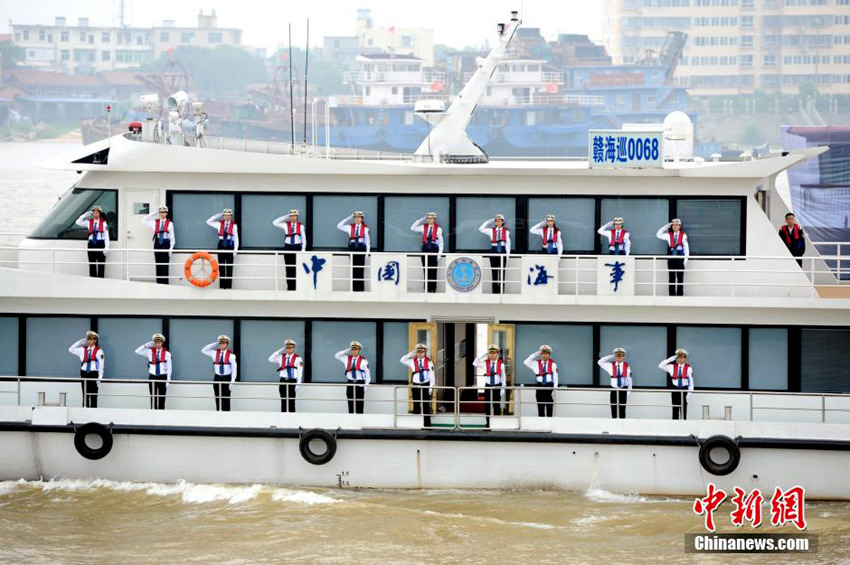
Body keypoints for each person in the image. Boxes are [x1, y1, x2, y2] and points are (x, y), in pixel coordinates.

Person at [400, 343, 434, 427]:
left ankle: (427, 425)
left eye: (422, 352)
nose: (420, 354)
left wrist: (431, 387)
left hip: (426, 384)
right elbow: (402, 360)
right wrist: (411, 354)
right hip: (416, 385)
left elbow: (432, 375)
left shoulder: (429, 362)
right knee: (416, 404)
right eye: (418, 352)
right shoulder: (412, 361)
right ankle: (416, 424)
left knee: (426, 405)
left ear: (425, 352)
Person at [134, 333, 172, 410]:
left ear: (162, 343)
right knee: (153, 396)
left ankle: (161, 413)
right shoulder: (149, 352)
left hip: (162, 376)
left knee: (162, 397)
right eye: (156, 342)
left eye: (159, 342)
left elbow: (169, 367)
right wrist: (146, 345)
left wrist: (168, 379)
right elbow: (137, 351)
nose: (157, 344)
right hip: (152, 376)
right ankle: (153, 412)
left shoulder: (167, 354)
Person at [272, 209, 306, 291]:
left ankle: (297, 287)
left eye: (294, 216)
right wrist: (286, 216)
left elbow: (304, 238)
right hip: (288, 247)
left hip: (297, 247)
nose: (293, 217)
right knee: (288, 268)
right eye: (291, 216)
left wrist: (303, 249)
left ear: (297, 217)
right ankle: (290, 287)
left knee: (297, 268)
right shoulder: (285, 225)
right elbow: (275, 222)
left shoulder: (300, 226)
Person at [68, 331, 104, 408]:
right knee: (85, 395)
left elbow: (101, 365)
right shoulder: (82, 350)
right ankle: (84, 411)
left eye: (91, 339)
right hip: (84, 373)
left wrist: (100, 378)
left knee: (93, 395)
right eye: (88, 339)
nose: (88, 341)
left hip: (94, 374)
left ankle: (94, 412)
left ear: (95, 340)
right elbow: (70, 349)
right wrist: (79, 342)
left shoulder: (99, 351)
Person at [337, 211, 371, 292]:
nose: (356, 219)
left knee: (360, 269)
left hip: (361, 248)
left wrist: (367, 253)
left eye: (358, 217)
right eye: (355, 217)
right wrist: (349, 217)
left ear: (362, 218)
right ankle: (354, 288)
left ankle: (360, 288)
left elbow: (368, 242)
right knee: (353, 268)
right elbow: (339, 226)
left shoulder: (365, 228)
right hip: (352, 248)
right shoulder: (350, 227)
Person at [202, 335, 238, 411]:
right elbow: (204, 350)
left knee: (226, 399)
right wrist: (215, 344)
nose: (222, 345)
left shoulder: (231, 356)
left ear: (227, 344)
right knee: (217, 398)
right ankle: (218, 413)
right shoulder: (214, 353)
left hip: (227, 378)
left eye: (224, 343)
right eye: (221, 343)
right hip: (217, 377)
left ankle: (227, 416)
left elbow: (234, 369)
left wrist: (232, 381)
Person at [473, 344, 506, 426]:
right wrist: (484, 353)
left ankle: (497, 423)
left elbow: (503, 379)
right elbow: (475, 363)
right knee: (487, 405)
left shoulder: (501, 365)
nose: (492, 354)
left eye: (493, 352)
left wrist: (503, 389)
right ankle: (488, 423)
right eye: (490, 352)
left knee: (496, 406)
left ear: (497, 353)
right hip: (488, 386)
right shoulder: (484, 363)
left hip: (497, 386)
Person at [205, 208, 239, 289]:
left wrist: (235, 251)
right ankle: (222, 286)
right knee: (221, 266)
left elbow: (236, 238)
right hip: (221, 244)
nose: (227, 217)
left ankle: (228, 287)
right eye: (225, 215)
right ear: (223, 216)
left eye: (229, 215)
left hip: (230, 245)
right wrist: (218, 215)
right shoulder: (219, 224)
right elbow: (208, 221)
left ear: (231, 216)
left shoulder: (234, 226)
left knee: (229, 267)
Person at [410, 212, 444, 293]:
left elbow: (441, 242)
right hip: (425, 248)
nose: (429, 219)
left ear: (434, 219)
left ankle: (433, 289)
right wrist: (422, 219)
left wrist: (439, 254)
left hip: (434, 248)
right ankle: (426, 289)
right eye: (428, 218)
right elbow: (413, 228)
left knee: (433, 270)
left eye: (431, 218)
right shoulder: (423, 227)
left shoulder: (438, 229)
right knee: (425, 270)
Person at [478, 214, 511, 294]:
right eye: (496, 221)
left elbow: (508, 244)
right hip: (493, 250)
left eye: (499, 221)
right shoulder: (491, 231)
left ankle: (501, 291)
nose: (498, 222)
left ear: (502, 222)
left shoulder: (506, 232)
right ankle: (495, 292)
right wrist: (490, 221)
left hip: (502, 250)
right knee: (494, 272)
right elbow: (481, 229)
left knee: (502, 272)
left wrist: (507, 255)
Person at [523, 345, 559, 417]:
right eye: (543, 353)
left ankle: (549, 425)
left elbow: (555, 377)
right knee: (540, 407)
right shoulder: (536, 363)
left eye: (546, 353)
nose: (544, 355)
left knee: (549, 408)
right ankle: (541, 425)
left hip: (549, 386)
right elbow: (525, 362)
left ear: (549, 354)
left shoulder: (553, 364)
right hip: (539, 386)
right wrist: (536, 353)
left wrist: (554, 389)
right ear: (541, 354)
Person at [142, 206, 175, 285]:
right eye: (160, 212)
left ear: (166, 213)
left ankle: (165, 284)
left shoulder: (170, 224)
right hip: (157, 243)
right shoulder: (155, 222)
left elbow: (172, 237)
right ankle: (159, 283)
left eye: (163, 212)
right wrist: (154, 213)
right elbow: (144, 220)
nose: (162, 214)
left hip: (165, 243)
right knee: (158, 263)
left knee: (165, 264)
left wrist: (171, 249)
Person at [335, 341, 371, 413]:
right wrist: (348, 349)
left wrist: (365, 387)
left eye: (356, 349)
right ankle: (350, 420)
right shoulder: (346, 359)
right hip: (350, 383)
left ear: (359, 350)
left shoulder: (364, 361)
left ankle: (360, 421)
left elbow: (368, 376)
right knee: (350, 403)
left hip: (360, 383)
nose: (354, 351)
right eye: (353, 349)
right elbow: (337, 355)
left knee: (359, 405)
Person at [656, 219, 689, 296]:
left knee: (680, 277)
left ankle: (680, 295)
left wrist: (685, 260)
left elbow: (687, 248)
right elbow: (658, 234)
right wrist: (666, 226)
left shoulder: (683, 235)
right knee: (671, 277)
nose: (675, 226)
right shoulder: (668, 235)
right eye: (674, 225)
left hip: (680, 257)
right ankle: (671, 295)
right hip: (671, 257)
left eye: (677, 225)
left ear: (679, 226)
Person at [268, 339, 302, 412]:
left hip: (292, 381)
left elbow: (300, 372)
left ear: (293, 348)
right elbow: (270, 359)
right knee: (283, 400)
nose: (288, 349)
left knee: (291, 402)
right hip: (283, 380)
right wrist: (280, 350)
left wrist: (298, 384)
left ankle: (292, 420)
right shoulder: (281, 357)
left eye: (290, 347)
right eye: (287, 347)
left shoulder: (298, 358)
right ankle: (283, 420)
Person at [597, 347, 632, 419]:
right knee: (613, 408)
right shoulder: (610, 365)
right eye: (617, 356)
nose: (619, 358)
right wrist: (612, 356)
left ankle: (622, 425)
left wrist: (629, 391)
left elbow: (629, 379)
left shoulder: (627, 366)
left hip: (623, 389)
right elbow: (600, 362)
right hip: (614, 389)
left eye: (621, 356)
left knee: (622, 409)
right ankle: (614, 425)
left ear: (623, 356)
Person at [75, 205, 110, 278]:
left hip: (100, 244)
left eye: (97, 212)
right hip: (91, 244)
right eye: (94, 212)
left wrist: (107, 246)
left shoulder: (103, 224)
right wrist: (84, 215)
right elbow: (78, 222)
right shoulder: (88, 223)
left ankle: (101, 281)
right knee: (92, 264)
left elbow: (106, 236)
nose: (95, 214)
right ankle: (92, 281)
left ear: (100, 213)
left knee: (101, 265)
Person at [659, 348, 694, 420]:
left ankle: (684, 424)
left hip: (684, 389)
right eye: (678, 357)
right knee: (675, 408)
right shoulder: (671, 367)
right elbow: (661, 365)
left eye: (682, 357)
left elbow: (691, 381)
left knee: (684, 408)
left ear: (685, 358)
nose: (680, 359)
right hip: (675, 388)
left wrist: (689, 393)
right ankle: (674, 425)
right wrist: (671, 359)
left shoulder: (688, 368)